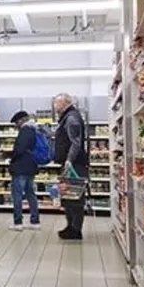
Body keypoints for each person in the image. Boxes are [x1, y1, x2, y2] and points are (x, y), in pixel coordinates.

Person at [52, 93, 88, 240]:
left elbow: (76, 142)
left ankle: (75, 229)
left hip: (74, 164)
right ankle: (70, 227)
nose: (54, 106)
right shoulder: (66, 117)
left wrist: (69, 160)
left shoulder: (71, 118)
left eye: (56, 102)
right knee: (68, 196)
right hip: (70, 163)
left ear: (65, 103)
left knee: (75, 196)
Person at [8, 110, 41, 231]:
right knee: (30, 194)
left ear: (22, 120)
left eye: (16, 123)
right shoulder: (34, 129)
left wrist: (11, 157)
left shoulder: (25, 130)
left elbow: (19, 149)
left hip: (21, 167)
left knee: (17, 195)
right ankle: (35, 222)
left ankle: (18, 223)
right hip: (31, 166)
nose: (16, 125)